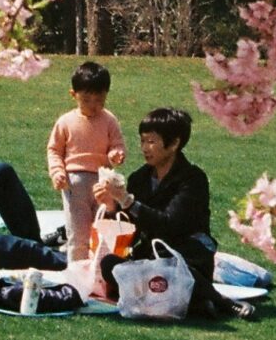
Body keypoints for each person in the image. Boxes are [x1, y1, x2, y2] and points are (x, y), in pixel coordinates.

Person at [93, 105, 227, 317]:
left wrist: (127, 201)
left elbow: (171, 225)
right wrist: (111, 207)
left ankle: (221, 302)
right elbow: (132, 231)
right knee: (110, 264)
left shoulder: (192, 179)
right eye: (143, 141)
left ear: (174, 143)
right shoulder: (139, 178)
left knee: (168, 258)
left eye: (152, 141)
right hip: (152, 258)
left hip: (185, 255)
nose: (145, 148)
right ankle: (192, 302)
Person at [46, 59, 127, 267]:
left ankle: (101, 271)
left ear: (107, 94)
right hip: (75, 182)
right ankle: (76, 274)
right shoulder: (65, 122)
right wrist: (57, 172)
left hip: (102, 182)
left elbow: (117, 144)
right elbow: (54, 150)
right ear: (73, 95)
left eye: (99, 100)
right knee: (78, 231)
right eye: (87, 100)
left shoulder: (109, 120)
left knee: (103, 229)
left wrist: (116, 154)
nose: (93, 106)